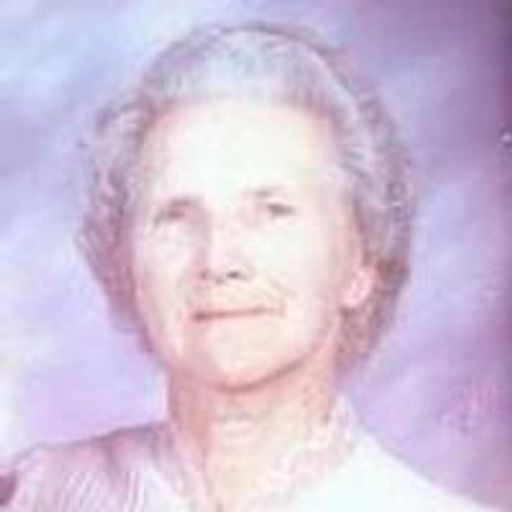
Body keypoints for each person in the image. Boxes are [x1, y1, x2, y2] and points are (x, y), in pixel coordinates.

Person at [3, 22, 493, 511]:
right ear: (126, 264)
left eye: (272, 211)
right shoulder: (37, 493)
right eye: (176, 214)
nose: (219, 259)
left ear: (361, 263)